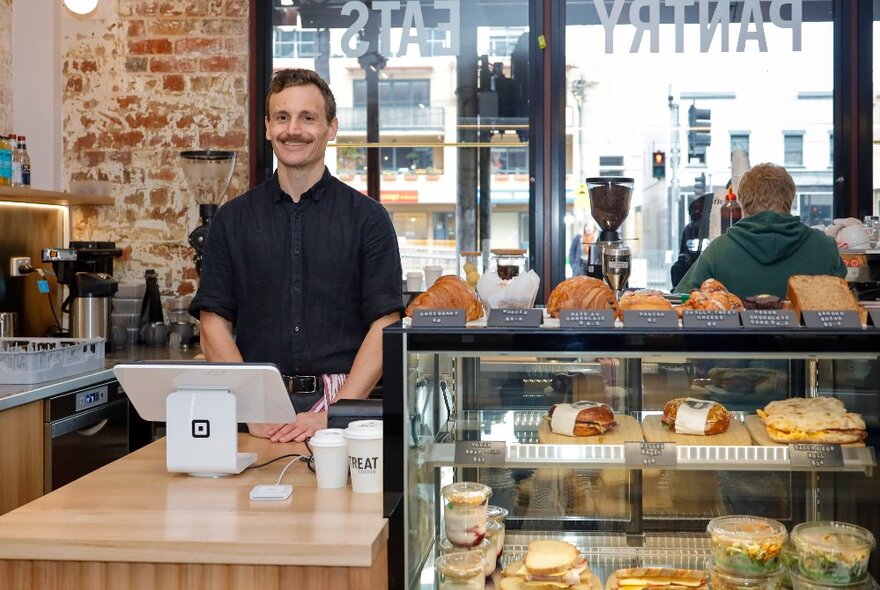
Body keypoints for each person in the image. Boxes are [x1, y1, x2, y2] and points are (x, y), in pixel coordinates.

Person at [189, 68, 403, 443]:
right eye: (282, 117)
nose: (293, 130)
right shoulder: (231, 219)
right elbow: (212, 323)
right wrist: (251, 408)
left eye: (308, 118)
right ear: (268, 127)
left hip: (342, 409)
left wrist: (337, 415)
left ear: (331, 128)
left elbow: (385, 323)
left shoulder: (368, 218)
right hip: (255, 407)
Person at [674, 162, 845, 299]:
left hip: (735, 342)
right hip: (808, 342)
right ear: (790, 198)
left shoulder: (717, 251)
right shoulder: (824, 247)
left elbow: (684, 300)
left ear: (743, 203)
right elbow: (842, 303)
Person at [670, 194, 709, 288]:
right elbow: (683, 256)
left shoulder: (716, 229)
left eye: (700, 210)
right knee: (677, 268)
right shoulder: (688, 229)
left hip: (708, 268)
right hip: (693, 269)